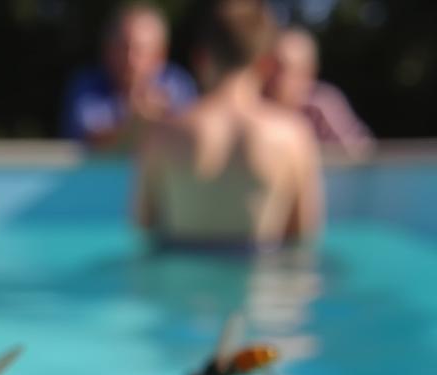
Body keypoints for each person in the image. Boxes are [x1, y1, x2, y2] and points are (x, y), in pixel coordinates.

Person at [135, 0, 323, 249]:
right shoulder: (292, 137)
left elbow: (145, 226)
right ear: (265, 64)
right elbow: (302, 238)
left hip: (183, 281)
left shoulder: (163, 134)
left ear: (200, 58)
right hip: (259, 280)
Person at [61, 4, 196, 149]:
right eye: (122, 48)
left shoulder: (178, 85)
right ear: (107, 49)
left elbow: (193, 136)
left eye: (140, 50)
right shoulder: (86, 85)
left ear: (161, 54)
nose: (130, 59)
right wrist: (138, 124)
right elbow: (88, 140)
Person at [265, 27, 374, 159]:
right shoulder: (254, 105)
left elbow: (361, 157)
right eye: (268, 67)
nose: (272, 76)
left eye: (281, 68)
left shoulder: (323, 105)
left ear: (308, 72)